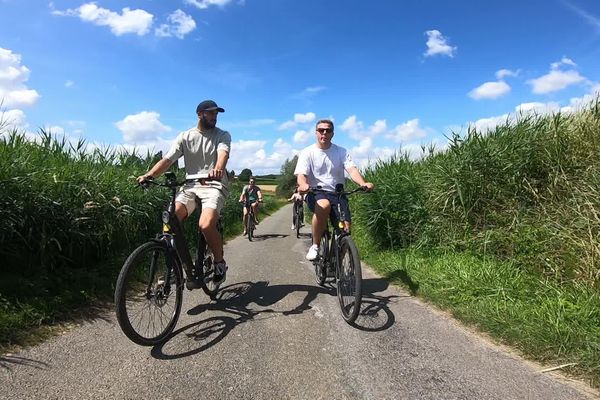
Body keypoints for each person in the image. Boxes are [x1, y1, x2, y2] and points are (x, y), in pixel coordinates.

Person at [137, 100, 231, 287]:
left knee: (205, 225)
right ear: (200, 114)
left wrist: (218, 169)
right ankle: (176, 268)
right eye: (210, 113)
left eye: (216, 114)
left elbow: (223, 154)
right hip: (190, 185)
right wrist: (149, 175)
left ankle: (219, 263)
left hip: (214, 184)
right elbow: (167, 160)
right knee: (170, 220)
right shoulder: (185, 136)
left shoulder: (222, 135)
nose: (214, 117)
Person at [295, 119, 374, 261]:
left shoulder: (341, 151)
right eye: (321, 130)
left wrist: (363, 183)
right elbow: (301, 176)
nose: (324, 133)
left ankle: (336, 262)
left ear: (333, 134)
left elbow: (352, 170)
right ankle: (315, 245)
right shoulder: (307, 152)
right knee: (324, 205)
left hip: (338, 193)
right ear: (316, 133)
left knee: (345, 229)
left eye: (328, 130)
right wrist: (303, 185)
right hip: (315, 192)